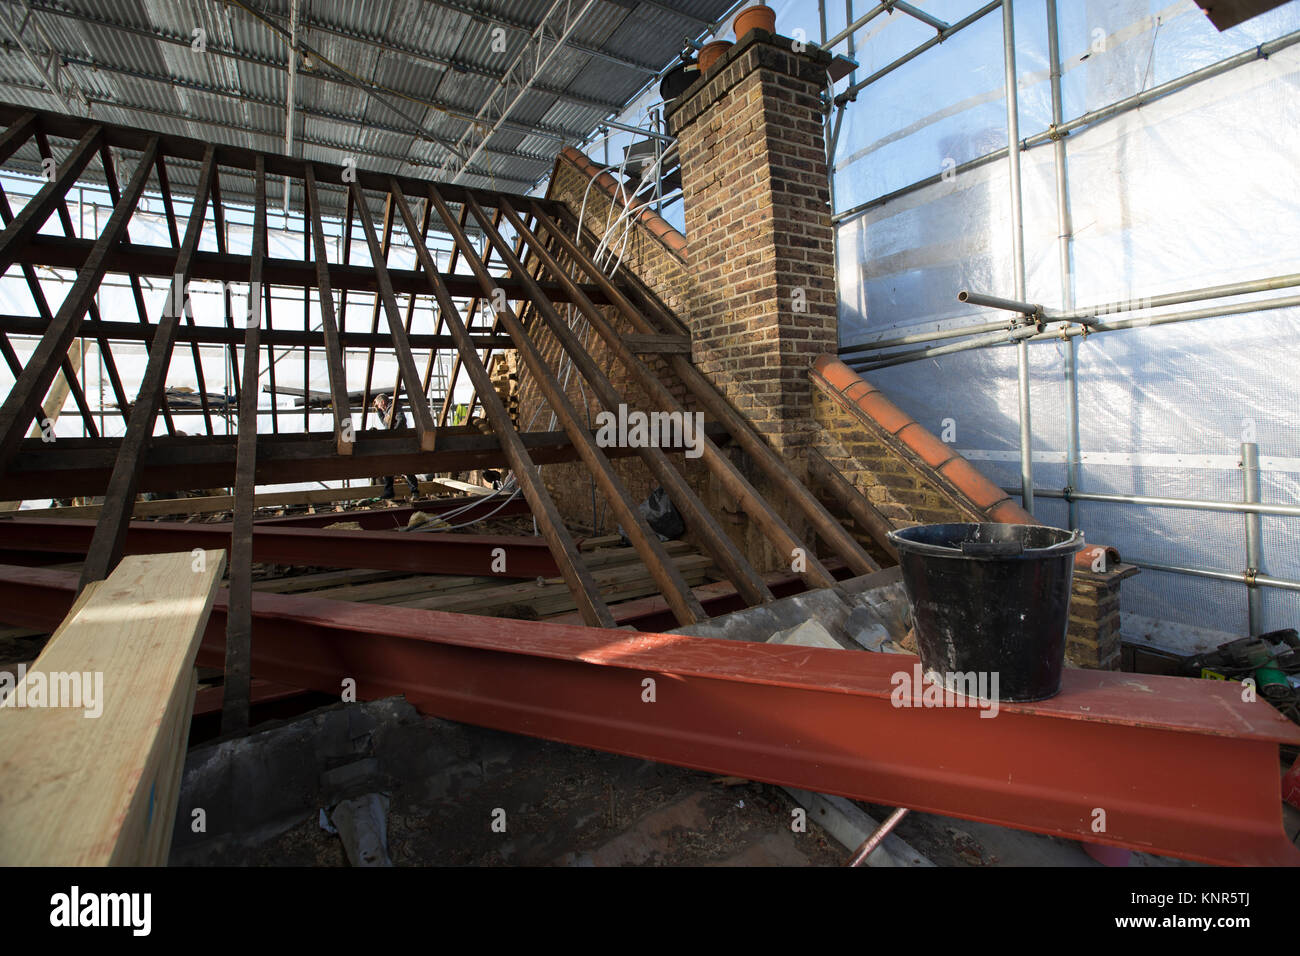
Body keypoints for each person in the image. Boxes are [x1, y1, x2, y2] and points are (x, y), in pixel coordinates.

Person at [373, 393, 420, 500]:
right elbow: (385, 424)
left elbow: (402, 420)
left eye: (379, 405)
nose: (379, 407)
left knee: (405, 467)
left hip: (401, 444)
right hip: (394, 444)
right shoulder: (387, 412)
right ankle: (389, 491)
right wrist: (379, 411)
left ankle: (414, 491)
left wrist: (395, 434)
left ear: (383, 402)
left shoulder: (394, 408)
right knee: (388, 467)